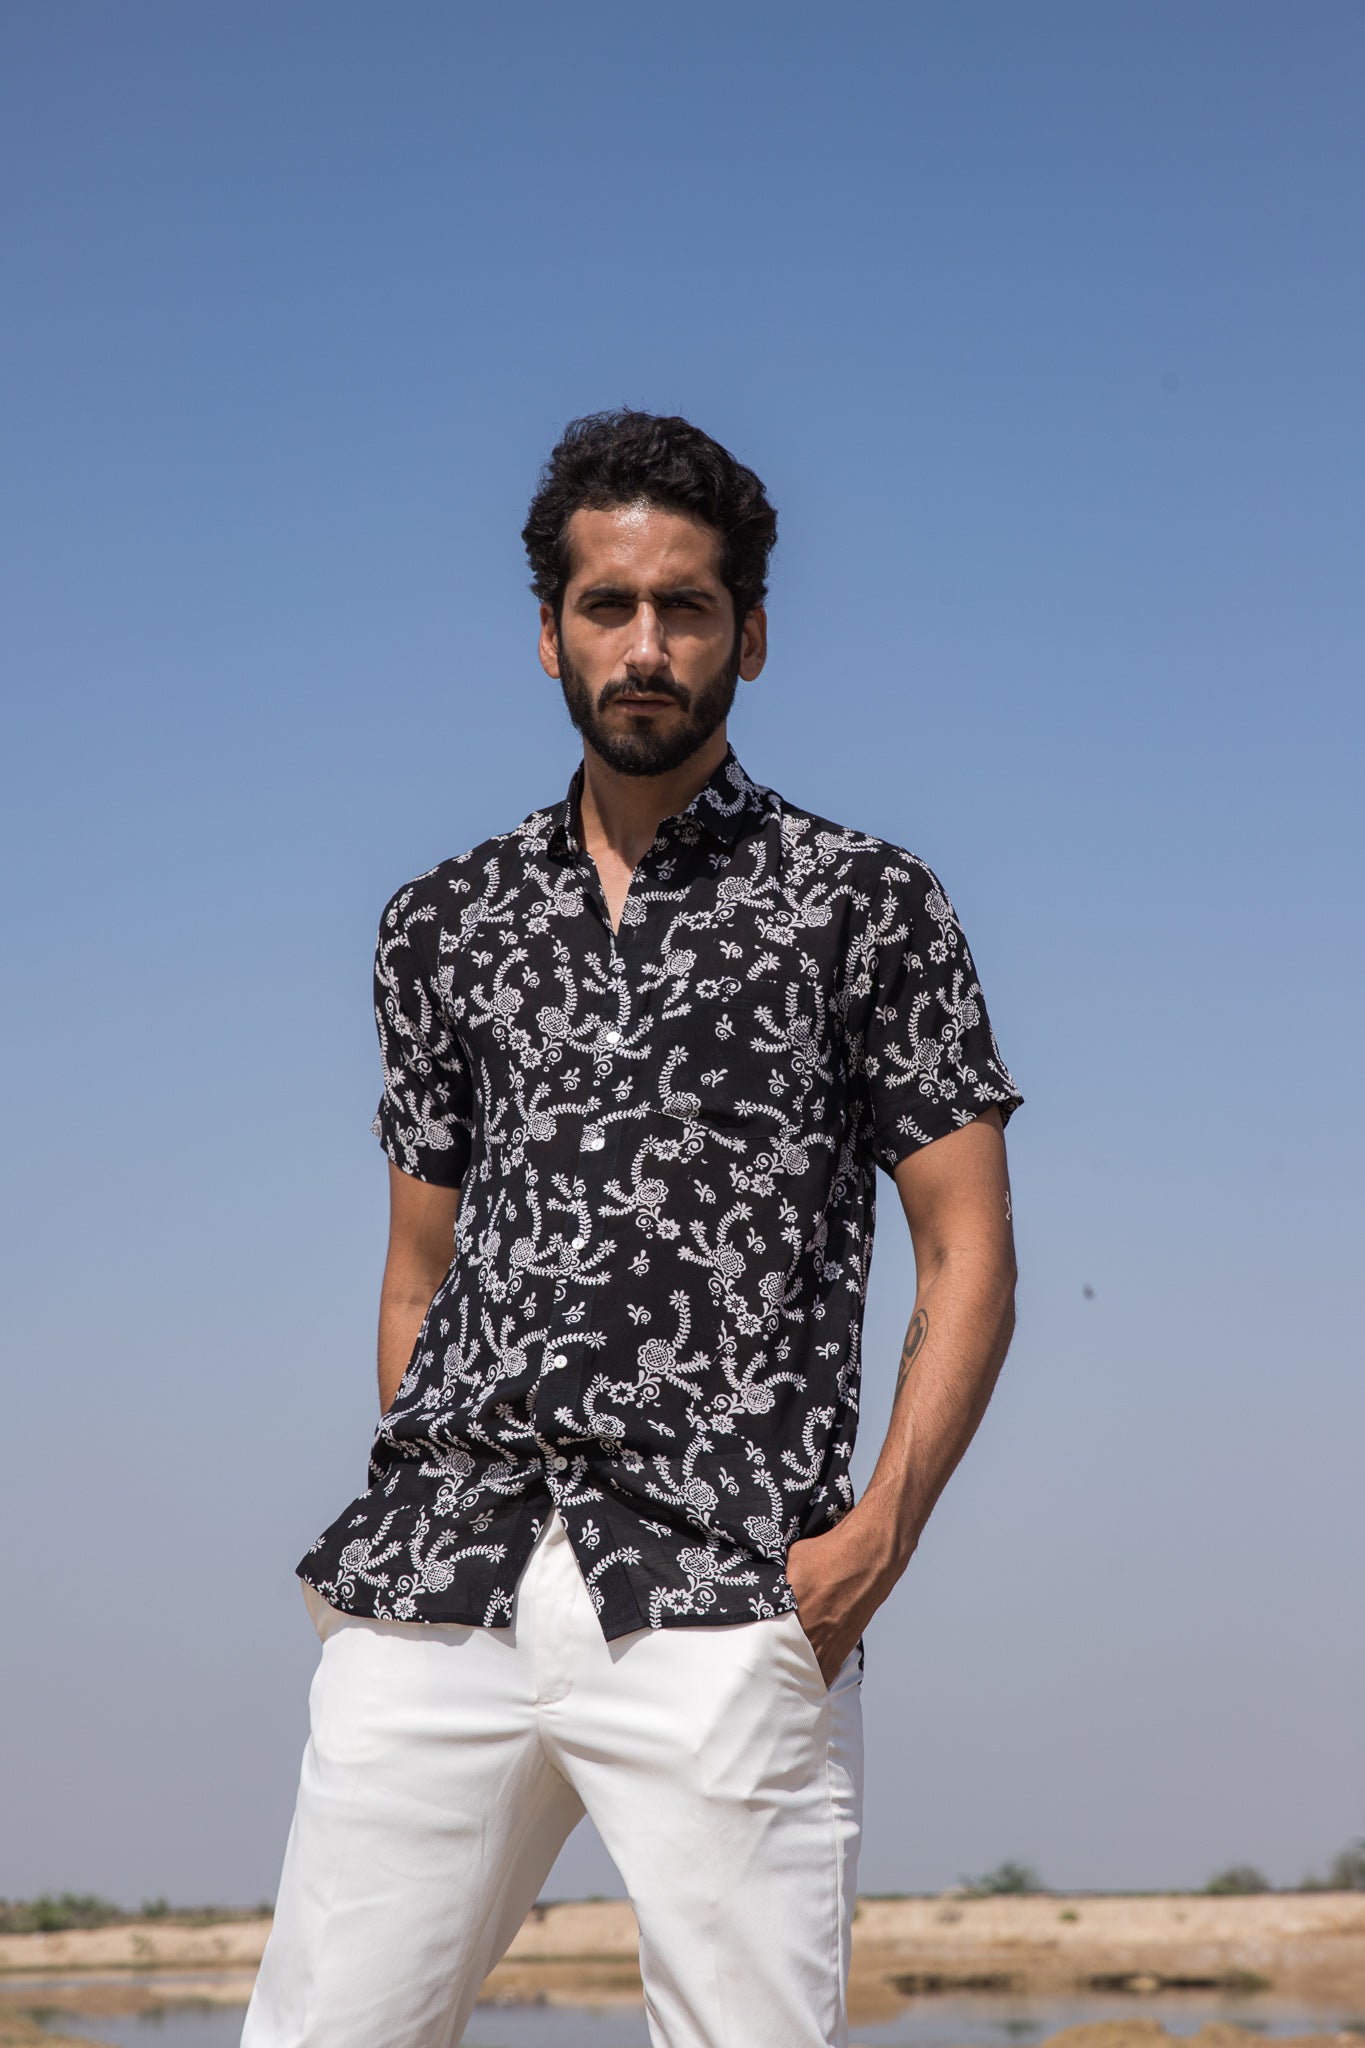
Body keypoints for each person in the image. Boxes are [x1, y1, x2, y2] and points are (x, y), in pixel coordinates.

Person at [242, 410, 1022, 2048]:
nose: (646, 646)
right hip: (439, 1587)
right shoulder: (440, 923)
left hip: (726, 1591)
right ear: (550, 634)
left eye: (686, 607)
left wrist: (869, 1547)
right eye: (608, 606)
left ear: (751, 634)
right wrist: (423, 1478)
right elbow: (416, 1271)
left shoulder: (865, 905)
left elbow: (965, 1254)